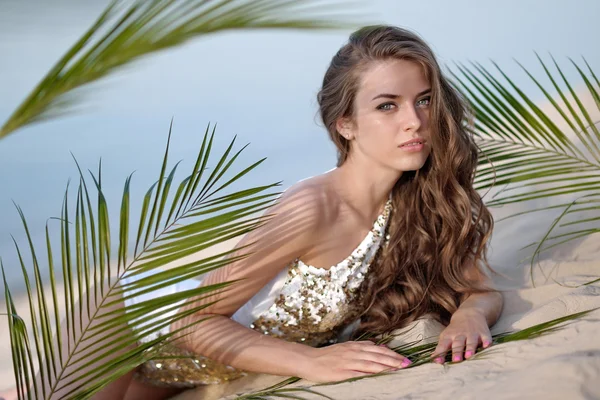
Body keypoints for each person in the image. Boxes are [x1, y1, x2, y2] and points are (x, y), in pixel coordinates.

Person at [1, 25, 503, 400]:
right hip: (125, 330)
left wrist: (468, 318)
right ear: (345, 123)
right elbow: (190, 322)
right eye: (387, 106)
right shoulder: (313, 208)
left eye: (424, 100)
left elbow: (477, 287)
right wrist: (312, 362)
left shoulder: (418, 202)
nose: (414, 121)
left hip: (201, 370)